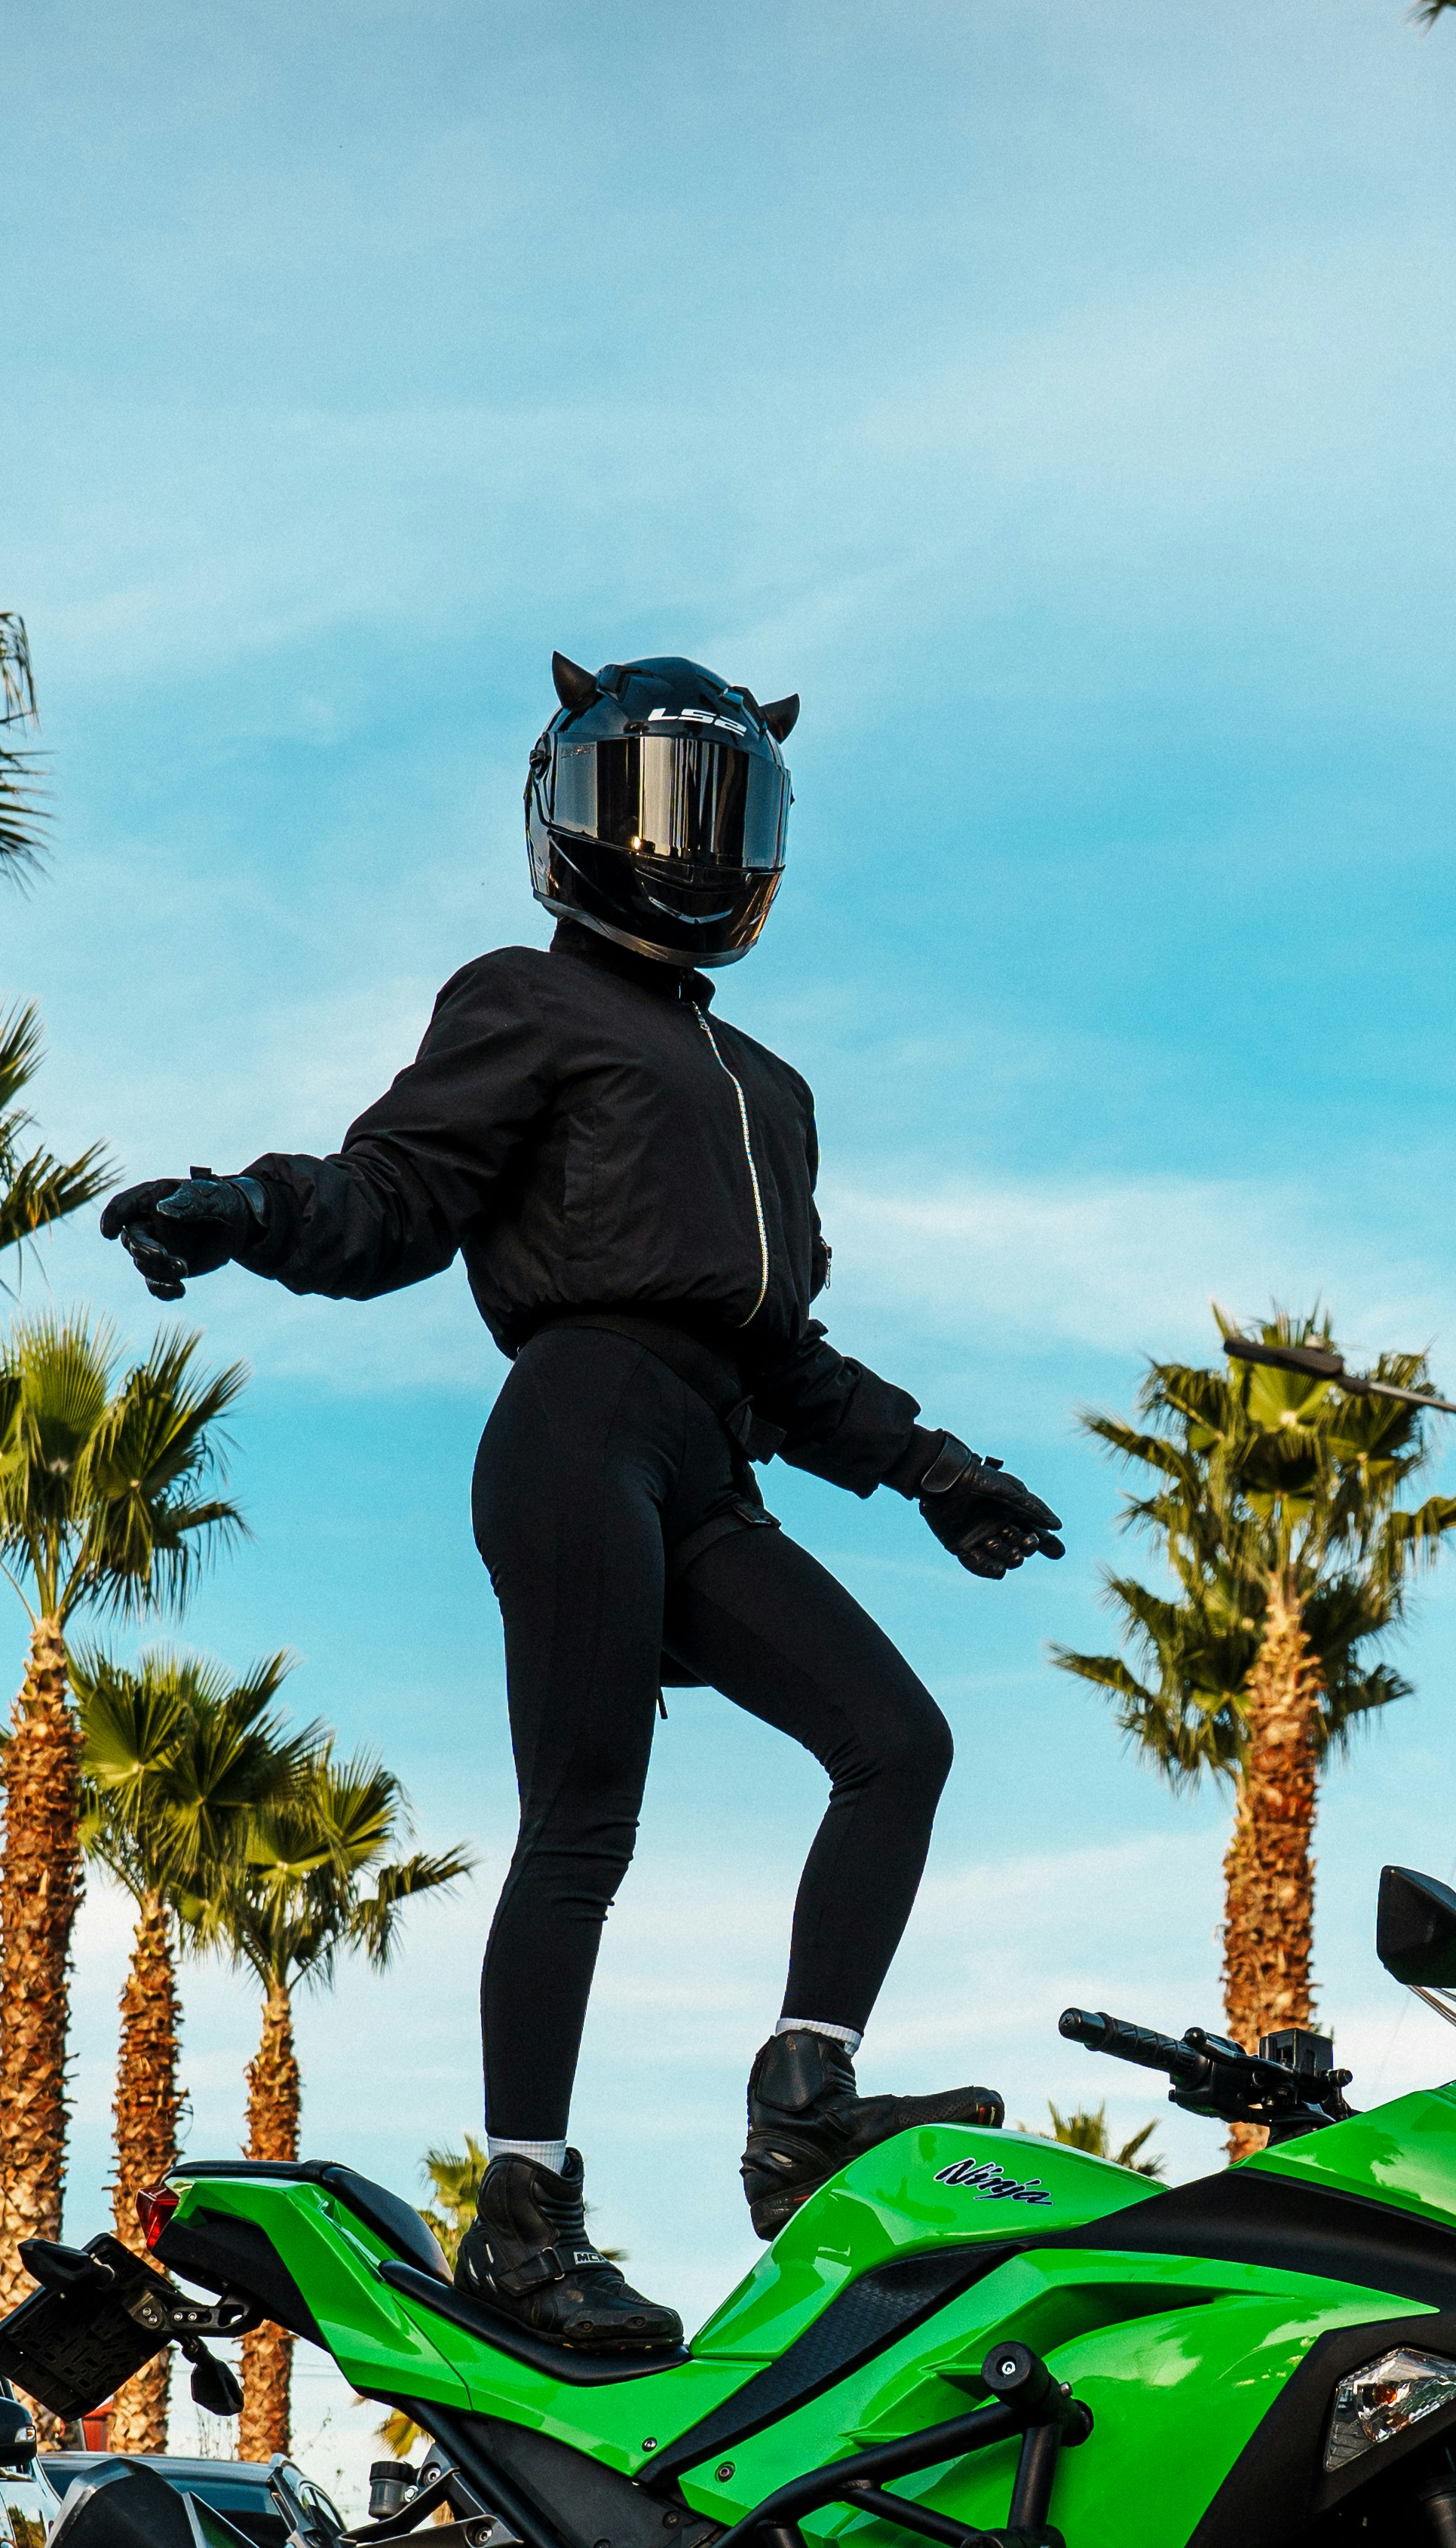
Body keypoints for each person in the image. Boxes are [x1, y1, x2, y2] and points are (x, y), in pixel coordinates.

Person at [101, 652, 1063, 2360]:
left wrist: (939, 1470)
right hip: (572, 1434)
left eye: (721, 806)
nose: (686, 842)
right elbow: (396, 1193)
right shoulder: (523, 1002)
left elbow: (781, 1357)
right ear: (572, 812)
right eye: (654, 803)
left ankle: (803, 2098)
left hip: (706, 1457)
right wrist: (241, 1203)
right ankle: (522, 2217)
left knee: (896, 1740)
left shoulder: (770, 1093)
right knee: (581, 1828)